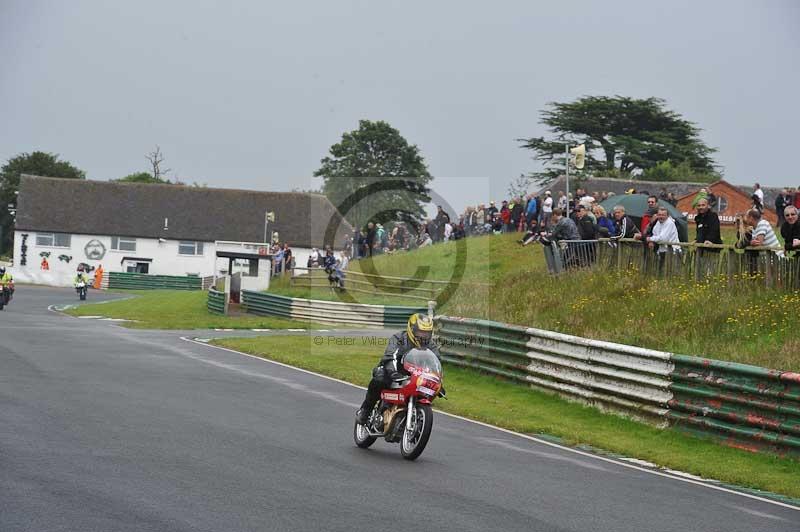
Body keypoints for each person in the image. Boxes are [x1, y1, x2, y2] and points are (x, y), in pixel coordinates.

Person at [356, 313, 440, 424]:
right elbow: (391, 356)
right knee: (379, 378)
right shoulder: (399, 338)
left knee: (425, 392)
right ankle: (365, 411)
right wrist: (393, 372)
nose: (423, 336)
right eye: (420, 332)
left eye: (426, 333)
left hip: (414, 376)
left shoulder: (431, 346)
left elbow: (435, 364)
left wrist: (437, 381)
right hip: (392, 370)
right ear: (411, 329)